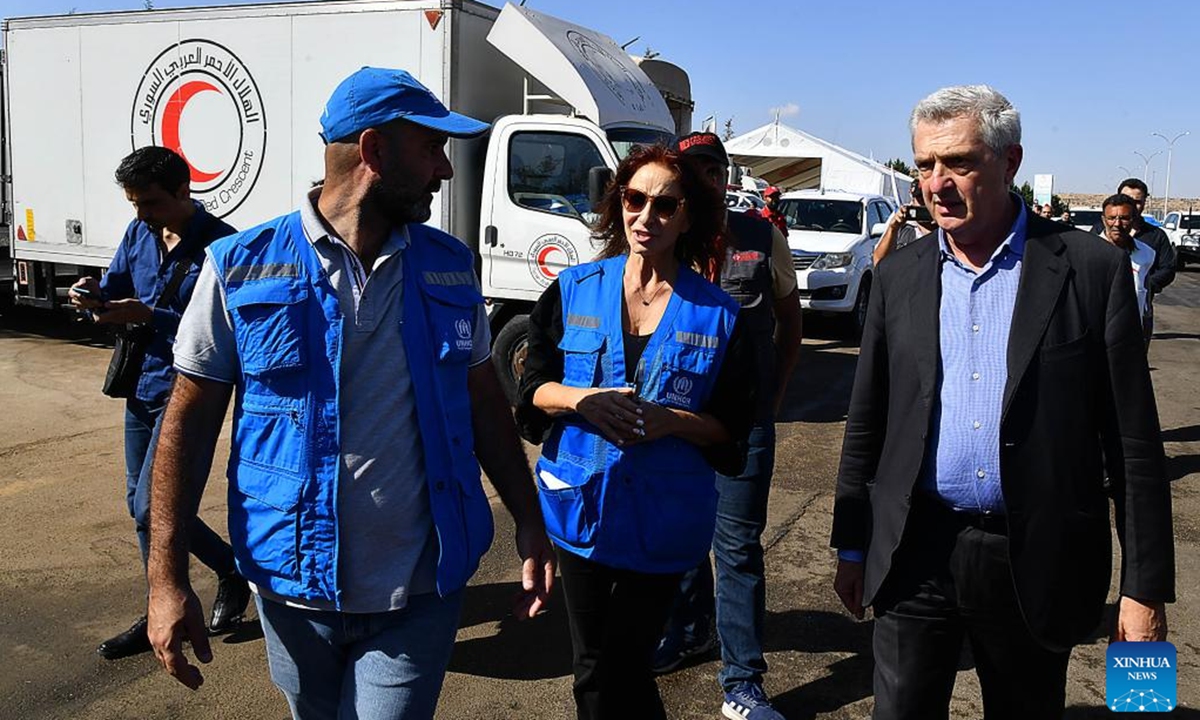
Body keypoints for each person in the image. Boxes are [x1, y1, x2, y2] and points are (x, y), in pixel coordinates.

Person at [144, 68, 555, 719]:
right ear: (373, 151)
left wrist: (529, 519)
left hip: (421, 586)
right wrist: (165, 579)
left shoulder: (450, 265)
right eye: (431, 147)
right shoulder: (239, 266)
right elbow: (186, 426)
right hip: (291, 584)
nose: (444, 169)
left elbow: (484, 406)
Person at [832, 85, 1174, 720]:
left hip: (1034, 556)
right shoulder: (899, 275)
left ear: (1010, 161)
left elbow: (1134, 445)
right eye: (925, 165)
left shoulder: (1090, 271)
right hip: (913, 552)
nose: (936, 184)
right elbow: (869, 422)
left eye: (958, 162)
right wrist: (851, 547)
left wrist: (1144, 588)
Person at [516, 143, 756, 720]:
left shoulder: (719, 316)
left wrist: (671, 421)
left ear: (688, 218)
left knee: (626, 662)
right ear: (618, 203)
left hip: (663, 519)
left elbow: (731, 433)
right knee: (592, 667)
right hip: (580, 512)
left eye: (665, 206)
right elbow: (531, 393)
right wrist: (582, 400)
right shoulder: (573, 289)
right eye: (634, 199)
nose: (647, 217)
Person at [68, 146, 248, 660]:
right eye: (134, 204)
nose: (142, 214)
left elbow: (228, 328)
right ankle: (227, 569)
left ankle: (162, 607)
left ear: (183, 191)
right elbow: (115, 287)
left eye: (150, 202)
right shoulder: (138, 234)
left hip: (189, 391)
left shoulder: (223, 246)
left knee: (152, 506)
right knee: (139, 504)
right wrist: (92, 294)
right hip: (141, 385)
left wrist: (150, 316)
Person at [652, 131, 803, 720]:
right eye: (691, 171)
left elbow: (789, 325)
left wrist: (773, 397)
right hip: (678, 418)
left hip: (744, 424)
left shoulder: (763, 237)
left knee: (736, 548)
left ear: (725, 176)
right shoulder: (664, 236)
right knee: (681, 536)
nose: (704, 180)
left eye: (713, 170)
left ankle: (742, 682)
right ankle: (692, 631)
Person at [1089, 178, 1177, 343]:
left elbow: (1168, 268)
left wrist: (1144, 285)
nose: (1118, 224)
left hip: (1139, 311)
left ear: (1144, 203)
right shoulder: (1099, 231)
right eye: (1126, 199)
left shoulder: (1155, 237)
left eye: (1137, 202)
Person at [1101, 193, 1157, 323]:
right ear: (1103, 220)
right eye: (1111, 218)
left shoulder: (1147, 254)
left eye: (1124, 218)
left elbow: (1145, 294)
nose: (1117, 224)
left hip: (1132, 326)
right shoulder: (1088, 251)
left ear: (1133, 220)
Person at [873, 178, 935, 265]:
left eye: (929, 197)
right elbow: (879, 262)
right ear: (912, 199)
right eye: (920, 198)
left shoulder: (944, 224)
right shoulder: (901, 221)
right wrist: (893, 228)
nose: (925, 203)